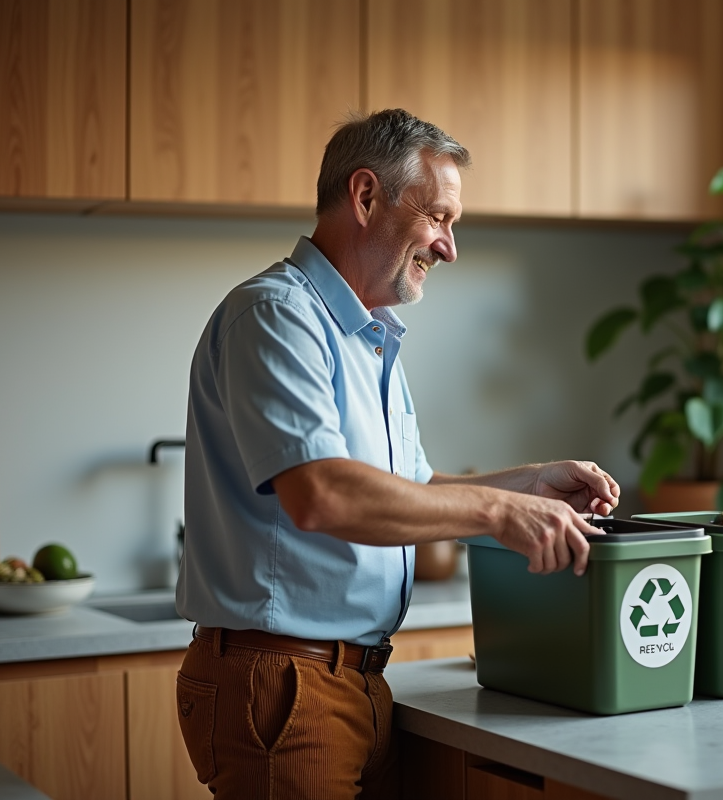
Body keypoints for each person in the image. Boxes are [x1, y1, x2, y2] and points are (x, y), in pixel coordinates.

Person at [173, 108, 620, 800]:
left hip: (355, 680)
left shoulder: (370, 335)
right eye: (439, 218)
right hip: (286, 681)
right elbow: (324, 495)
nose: (448, 247)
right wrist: (499, 511)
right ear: (365, 196)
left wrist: (530, 485)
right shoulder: (276, 317)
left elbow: (412, 486)